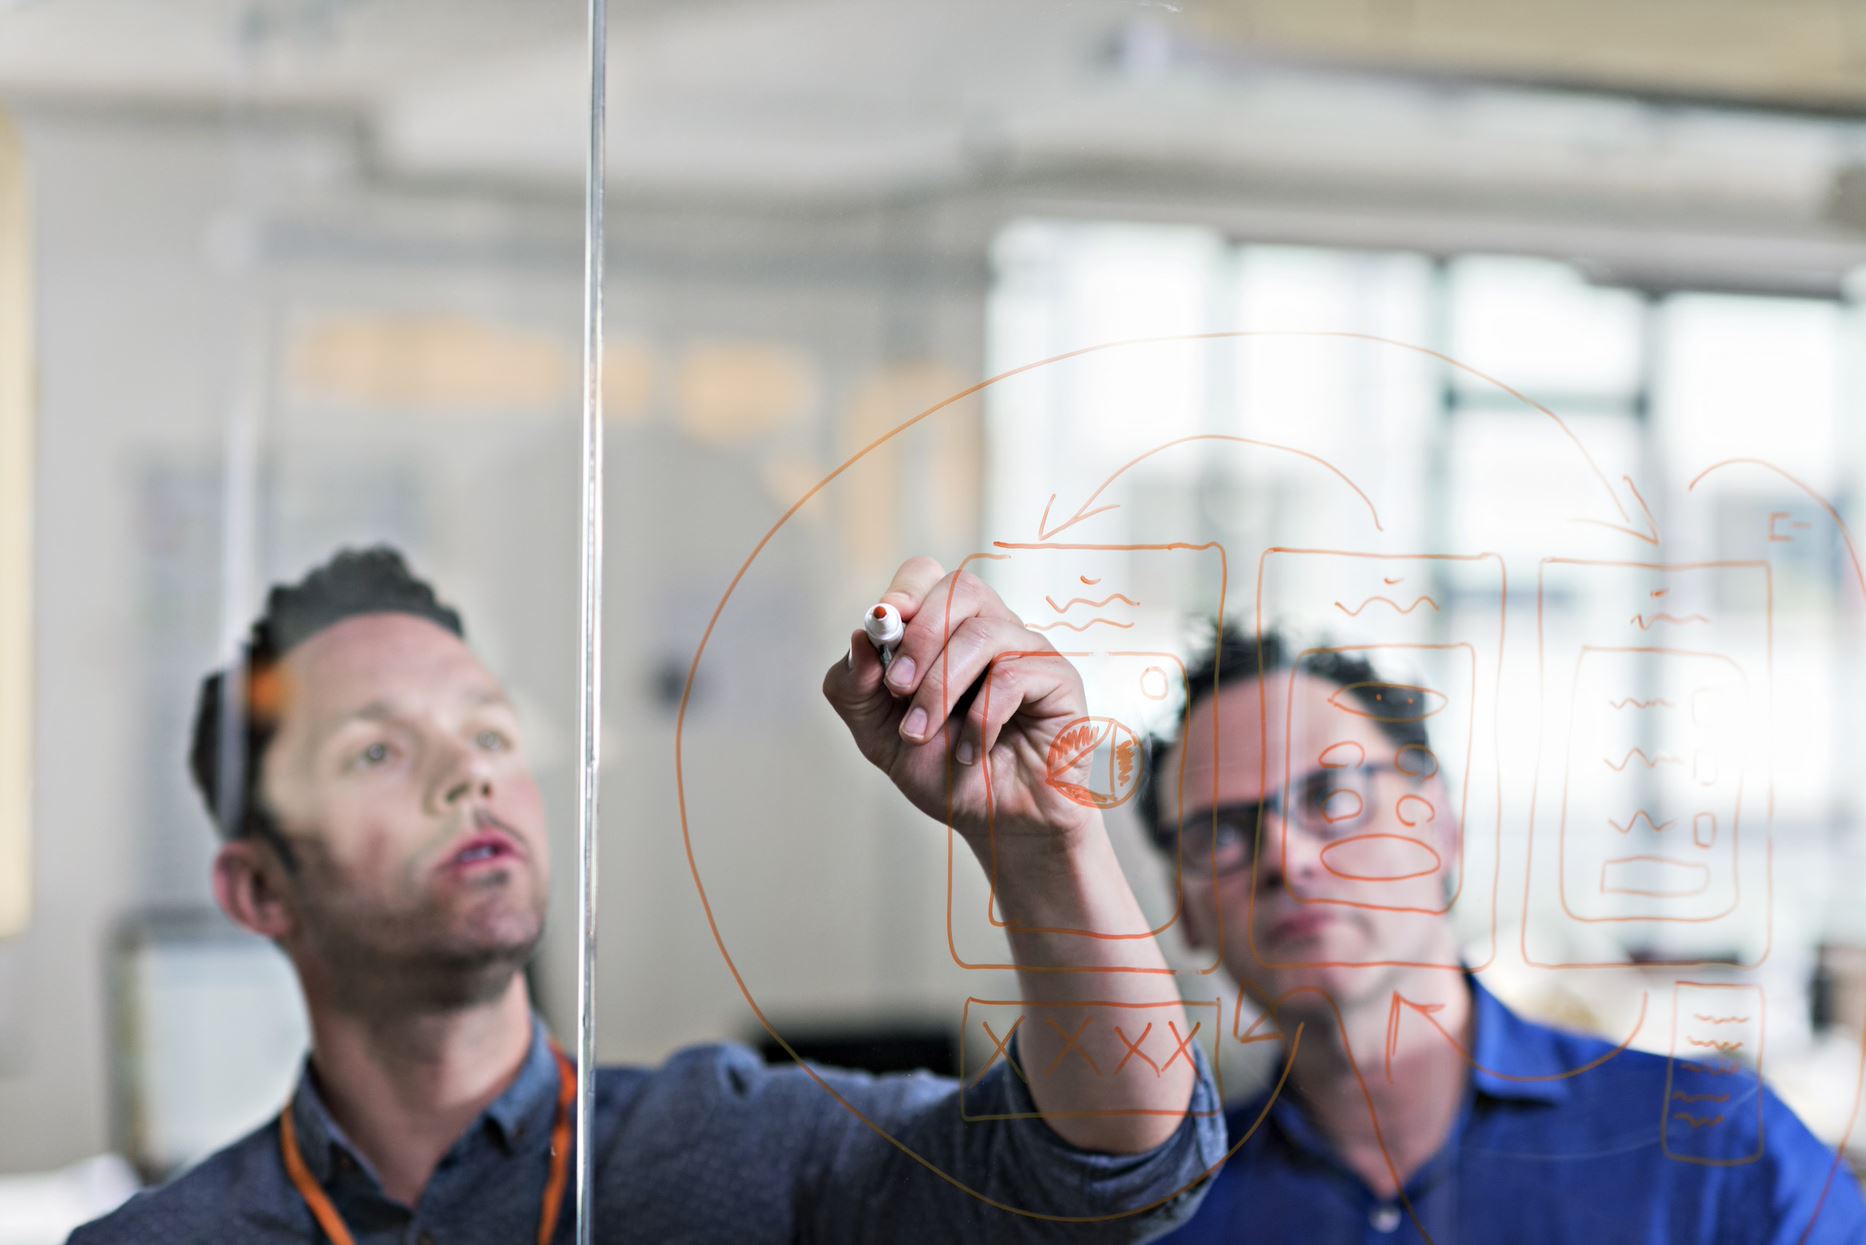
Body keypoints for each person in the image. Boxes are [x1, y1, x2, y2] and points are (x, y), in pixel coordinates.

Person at [70, 548, 1223, 1244]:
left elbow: (1106, 1174)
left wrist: (1043, 843)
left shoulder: (730, 1151)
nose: (468, 773)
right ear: (261, 888)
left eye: (488, 732)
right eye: (377, 753)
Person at [1135, 622, 1866, 1243]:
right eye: (1221, 832)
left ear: (1441, 825)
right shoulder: (1164, 1216)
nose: (1284, 856)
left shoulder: (1720, 1154)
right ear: (1185, 906)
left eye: (1332, 795)